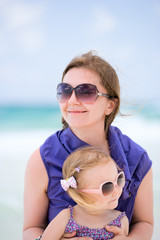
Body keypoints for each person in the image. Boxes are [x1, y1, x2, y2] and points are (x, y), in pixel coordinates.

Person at [23, 50, 153, 240]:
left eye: (86, 92)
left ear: (110, 105)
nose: (73, 101)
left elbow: (145, 223)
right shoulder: (42, 159)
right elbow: (31, 228)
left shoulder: (137, 158)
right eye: (65, 91)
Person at [42, 146, 129, 240]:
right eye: (107, 187)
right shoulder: (66, 218)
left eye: (119, 180)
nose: (117, 191)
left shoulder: (121, 221)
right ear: (80, 194)